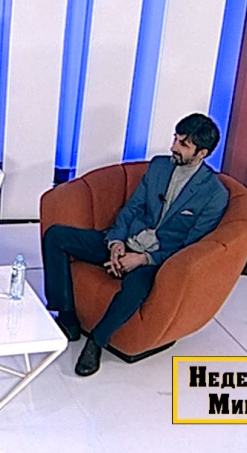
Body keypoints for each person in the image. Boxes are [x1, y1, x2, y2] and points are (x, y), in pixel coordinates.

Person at [42, 113, 229, 376]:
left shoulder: (214, 195)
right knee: (56, 236)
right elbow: (133, 208)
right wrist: (116, 243)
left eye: (183, 144)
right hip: (127, 240)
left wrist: (143, 259)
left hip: (157, 259)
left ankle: (97, 341)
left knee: (137, 286)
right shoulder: (159, 166)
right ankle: (67, 316)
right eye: (175, 139)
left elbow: (191, 246)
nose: (173, 147)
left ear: (202, 153)